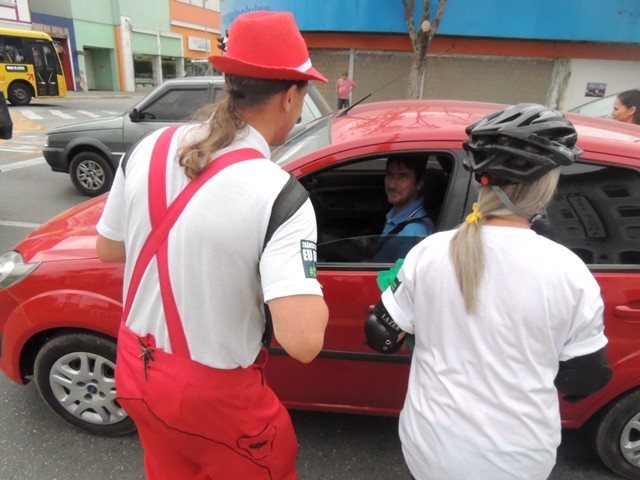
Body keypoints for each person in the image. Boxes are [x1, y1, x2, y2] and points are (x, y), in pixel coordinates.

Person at [96, 10, 329, 480]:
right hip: (217, 402)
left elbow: (109, 248)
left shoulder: (149, 147)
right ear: (290, 96)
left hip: (137, 370)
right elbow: (303, 343)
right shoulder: (279, 195)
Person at [365, 103, 612, 480]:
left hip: (430, 449)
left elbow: (379, 336)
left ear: (482, 179)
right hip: (517, 460)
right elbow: (584, 380)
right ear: (546, 185)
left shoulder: (429, 251)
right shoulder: (570, 272)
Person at [374, 156, 434, 262]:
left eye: (402, 177)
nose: (392, 185)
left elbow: (399, 272)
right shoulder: (396, 216)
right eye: (390, 174)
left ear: (419, 183)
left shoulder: (412, 232)